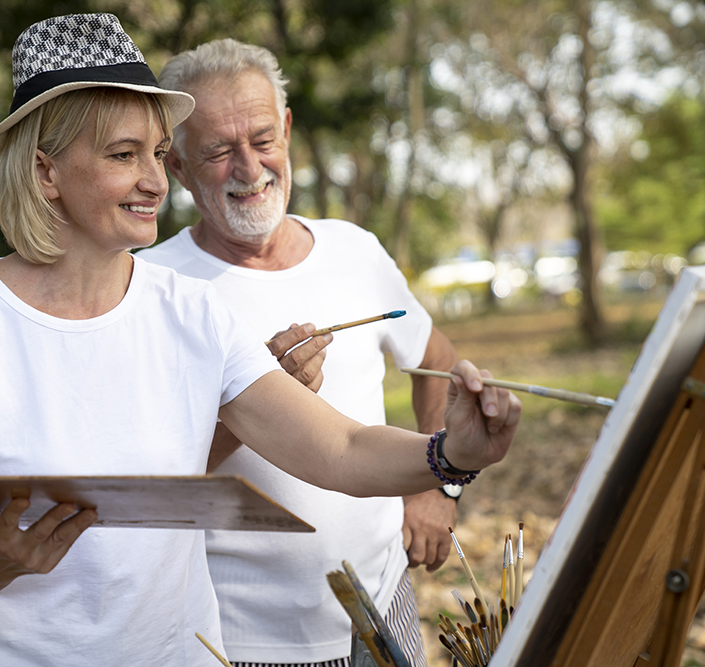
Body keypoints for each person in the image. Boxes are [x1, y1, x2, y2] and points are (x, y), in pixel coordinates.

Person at [0, 14, 521, 667]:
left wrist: (450, 456)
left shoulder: (193, 312)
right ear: (46, 171)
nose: (155, 180)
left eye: (155, 152)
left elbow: (338, 447)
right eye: (123, 154)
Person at [139, 39, 462, 667]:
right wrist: (254, 400)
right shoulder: (150, 288)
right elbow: (149, 485)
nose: (249, 168)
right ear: (177, 166)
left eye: (262, 140)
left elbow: (437, 361)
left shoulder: (353, 250)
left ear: (286, 129)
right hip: (240, 634)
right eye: (217, 151)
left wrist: (435, 491)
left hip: (386, 602)